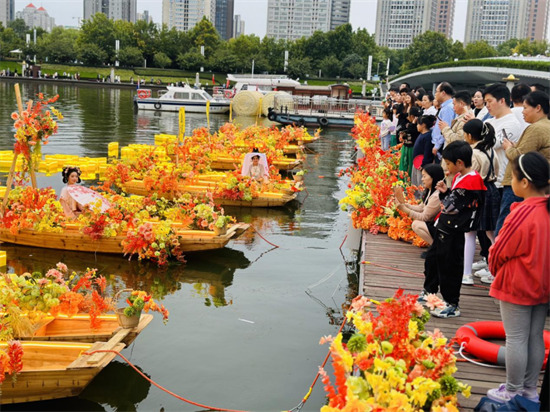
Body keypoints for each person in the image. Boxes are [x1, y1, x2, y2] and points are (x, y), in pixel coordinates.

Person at [486, 152, 550, 403]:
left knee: (515, 338)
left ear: (524, 182)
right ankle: (530, 390)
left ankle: (512, 391)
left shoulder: (522, 213)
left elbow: (500, 250)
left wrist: (493, 267)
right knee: (535, 336)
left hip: (517, 284)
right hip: (543, 284)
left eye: (512, 177)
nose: (511, 182)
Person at [420, 141, 486, 318]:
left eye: (448, 164)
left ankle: (452, 303)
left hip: (454, 230)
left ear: (459, 163)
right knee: (433, 260)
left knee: (449, 267)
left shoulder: (472, 180)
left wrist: (444, 196)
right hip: (444, 226)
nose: (446, 168)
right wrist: (444, 192)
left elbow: (451, 206)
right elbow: (451, 199)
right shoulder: (459, 177)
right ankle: (430, 291)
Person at [461, 120, 500, 285]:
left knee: (470, 233)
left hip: (477, 191)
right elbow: (496, 172)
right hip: (492, 190)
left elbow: (471, 176)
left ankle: (467, 273)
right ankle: (496, 271)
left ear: (470, 136)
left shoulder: (474, 153)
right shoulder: (491, 151)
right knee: (492, 233)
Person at [394, 163, 444, 246]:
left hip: (440, 229)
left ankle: (435, 248)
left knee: (416, 224)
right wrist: (406, 205)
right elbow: (421, 208)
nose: (422, 179)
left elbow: (424, 217)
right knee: (416, 223)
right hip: (433, 225)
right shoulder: (430, 191)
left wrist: (405, 209)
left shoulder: (436, 196)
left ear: (433, 177)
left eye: (424, 176)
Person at [431, 82, 456, 157]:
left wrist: (437, 146)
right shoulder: (446, 106)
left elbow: (445, 128)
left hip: (441, 146)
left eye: (436, 91)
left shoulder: (448, 108)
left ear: (443, 93)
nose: (435, 94)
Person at [411, 114, 436, 186]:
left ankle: (421, 197)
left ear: (423, 125)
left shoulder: (428, 136)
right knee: (414, 181)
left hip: (422, 164)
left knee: (420, 183)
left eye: (418, 124)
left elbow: (427, 151)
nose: (417, 126)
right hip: (416, 162)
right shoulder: (421, 134)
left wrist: (423, 164)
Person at [398, 106, 421, 179]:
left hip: (411, 148)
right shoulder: (411, 124)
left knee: (408, 166)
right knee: (405, 165)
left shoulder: (416, 126)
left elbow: (411, 131)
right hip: (406, 147)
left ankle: (406, 183)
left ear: (412, 116)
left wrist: (413, 123)